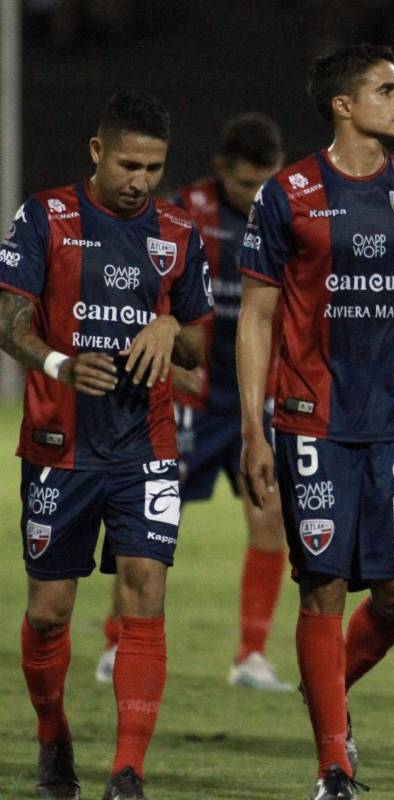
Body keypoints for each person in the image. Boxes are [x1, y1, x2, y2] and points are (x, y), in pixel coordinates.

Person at [236, 44, 394, 800]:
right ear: (343, 105)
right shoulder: (288, 193)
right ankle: (334, 764)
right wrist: (252, 427)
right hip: (312, 423)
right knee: (324, 587)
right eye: (387, 89)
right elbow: (257, 318)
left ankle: (323, 686)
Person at [0, 90, 213, 800]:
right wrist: (58, 362)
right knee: (48, 612)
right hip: (59, 445)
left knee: (145, 592)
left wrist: (168, 333)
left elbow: (198, 339)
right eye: (129, 164)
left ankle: (128, 772)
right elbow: (10, 320)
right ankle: (52, 734)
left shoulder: (178, 233)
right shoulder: (46, 216)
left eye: (153, 168)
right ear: (98, 152)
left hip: (145, 447)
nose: (141, 181)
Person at [94, 113, 291, 692]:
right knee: (149, 522)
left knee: (270, 516)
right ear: (220, 168)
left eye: (267, 182)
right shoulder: (183, 214)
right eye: (246, 184)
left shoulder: (285, 216)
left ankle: (251, 655)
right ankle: (116, 640)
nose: (257, 196)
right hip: (191, 396)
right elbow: (145, 288)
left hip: (254, 399)